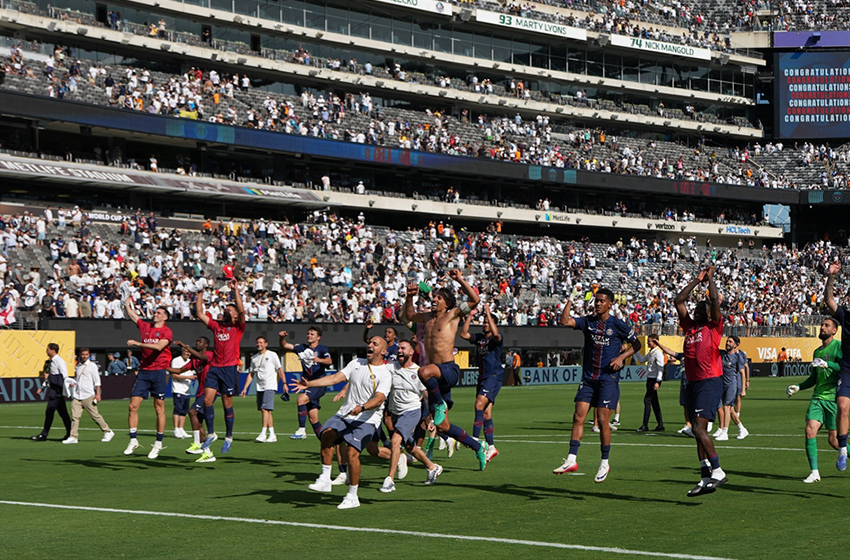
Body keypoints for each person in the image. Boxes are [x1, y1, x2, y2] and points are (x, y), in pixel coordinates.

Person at [402, 269, 488, 470]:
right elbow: (409, 315)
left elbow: (475, 300)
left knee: (423, 372)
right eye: (434, 297)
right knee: (442, 426)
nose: (434, 299)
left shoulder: (452, 315)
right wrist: (409, 297)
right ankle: (478, 446)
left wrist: (459, 279)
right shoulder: (426, 318)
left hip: (448, 369)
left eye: (439, 298)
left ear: (447, 303)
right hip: (435, 378)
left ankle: (440, 404)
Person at [554, 287, 640, 483]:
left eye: (602, 301)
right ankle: (571, 459)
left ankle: (604, 462)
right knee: (578, 416)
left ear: (610, 304)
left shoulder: (617, 324)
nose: (598, 303)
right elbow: (565, 321)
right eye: (596, 300)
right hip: (588, 378)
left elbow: (637, 345)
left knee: (602, 420)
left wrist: (621, 357)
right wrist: (571, 298)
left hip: (608, 379)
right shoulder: (588, 321)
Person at [295, 336, 392, 509]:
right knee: (326, 435)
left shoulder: (385, 373)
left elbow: (379, 398)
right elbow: (334, 378)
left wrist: (362, 407)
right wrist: (309, 384)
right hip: (345, 413)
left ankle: (352, 496)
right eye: (369, 343)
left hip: (367, 419)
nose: (369, 345)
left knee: (352, 453)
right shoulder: (356, 363)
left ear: (383, 351)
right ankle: (325, 479)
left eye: (375, 344)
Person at [675, 266, 727, 496]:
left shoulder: (713, 327)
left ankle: (718, 471)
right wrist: (697, 280)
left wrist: (711, 279)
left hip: (709, 381)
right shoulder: (689, 327)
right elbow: (679, 301)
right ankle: (705, 478)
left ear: (709, 313)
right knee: (698, 431)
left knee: (697, 428)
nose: (696, 311)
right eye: (695, 308)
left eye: (700, 309)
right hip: (693, 383)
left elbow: (714, 300)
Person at [379, 339, 444, 491]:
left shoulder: (418, 372)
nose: (399, 351)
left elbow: (427, 397)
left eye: (403, 348)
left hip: (412, 411)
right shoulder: (391, 367)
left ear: (411, 352)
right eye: (398, 348)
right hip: (396, 413)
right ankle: (432, 467)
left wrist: (430, 419)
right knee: (410, 447)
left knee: (395, 441)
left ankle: (389, 480)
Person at [195, 279, 246, 462]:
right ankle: (211, 433)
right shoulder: (217, 326)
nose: (227, 311)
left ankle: (229, 436)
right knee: (207, 400)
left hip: (229, 369)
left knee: (226, 404)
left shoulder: (238, 327)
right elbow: (199, 313)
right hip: (215, 368)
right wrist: (200, 293)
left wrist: (236, 290)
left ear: (235, 315)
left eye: (230, 310)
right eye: (226, 309)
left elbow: (242, 311)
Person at [787, 317, 842, 483]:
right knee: (810, 430)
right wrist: (798, 387)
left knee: (834, 441)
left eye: (826, 325)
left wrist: (828, 364)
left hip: (833, 398)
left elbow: (844, 369)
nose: (822, 327)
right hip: (818, 397)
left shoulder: (839, 347)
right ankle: (814, 472)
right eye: (822, 325)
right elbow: (813, 378)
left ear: (834, 330)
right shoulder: (817, 352)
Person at [124, 299, 173, 459]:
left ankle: (158, 443)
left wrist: (137, 343)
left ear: (165, 317)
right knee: (132, 406)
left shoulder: (167, 332)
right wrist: (126, 302)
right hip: (144, 371)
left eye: (159, 313)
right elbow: (133, 315)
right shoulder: (145, 327)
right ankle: (133, 440)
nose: (155, 314)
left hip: (159, 371)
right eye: (155, 312)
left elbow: (159, 347)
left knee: (159, 408)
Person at [460, 303, 503, 462]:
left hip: (493, 376)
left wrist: (488, 313)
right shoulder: (479, 339)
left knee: (478, 405)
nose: (485, 324)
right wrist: (470, 316)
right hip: (483, 377)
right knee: (486, 413)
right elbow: (463, 334)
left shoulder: (496, 338)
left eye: (488, 322)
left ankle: (475, 440)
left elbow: (496, 333)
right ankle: (491, 447)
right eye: (484, 322)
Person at [278, 327, 332, 440]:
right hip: (307, 384)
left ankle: (301, 430)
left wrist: (319, 360)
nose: (309, 335)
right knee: (313, 419)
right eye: (308, 333)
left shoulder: (322, 348)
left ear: (318, 337)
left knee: (301, 399)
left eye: (312, 334)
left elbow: (329, 361)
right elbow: (285, 345)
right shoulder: (301, 348)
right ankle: (327, 444)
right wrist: (281, 338)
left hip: (319, 383)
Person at [825, 262, 850, 470]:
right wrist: (831, 276)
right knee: (842, 407)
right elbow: (828, 300)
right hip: (847, 370)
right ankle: (843, 451)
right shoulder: (845, 316)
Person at [241, 336, 287, 443]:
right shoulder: (255, 358)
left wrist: (284, 383)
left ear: (266, 344)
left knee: (264, 410)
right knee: (267, 411)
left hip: (270, 385)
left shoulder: (272, 355)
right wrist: (245, 388)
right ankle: (272, 434)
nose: (259, 344)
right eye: (257, 342)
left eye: (261, 342)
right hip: (260, 387)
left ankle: (263, 433)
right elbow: (251, 374)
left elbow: (280, 370)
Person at [171, 338, 213, 455]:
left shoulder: (209, 354)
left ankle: (197, 443)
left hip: (209, 391)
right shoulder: (194, 360)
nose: (197, 343)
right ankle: (207, 453)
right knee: (198, 422)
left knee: (192, 411)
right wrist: (160, 367)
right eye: (197, 341)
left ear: (206, 345)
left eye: (200, 342)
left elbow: (202, 357)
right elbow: (179, 370)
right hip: (200, 392)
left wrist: (184, 345)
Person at [65, 348, 114, 444]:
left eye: (86, 354)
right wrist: (73, 384)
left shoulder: (92, 366)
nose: (84, 356)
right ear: (80, 355)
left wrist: (98, 394)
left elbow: (97, 381)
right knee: (75, 417)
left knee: (95, 415)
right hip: (77, 395)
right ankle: (73, 436)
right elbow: (78, 379)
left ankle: (107, 431)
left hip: (88, 395)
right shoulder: (78, 366)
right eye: (83, 354)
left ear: (89, 355)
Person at [32, 343, 72, 442]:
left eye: (48, 349)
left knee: (50, 412)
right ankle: (70, 433)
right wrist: (42, 387)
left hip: (57, 392)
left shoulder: (60, 361)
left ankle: (44, 434)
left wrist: (50, 377)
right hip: (54, 390)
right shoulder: (50, 362)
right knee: (63, 414)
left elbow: (64, 377)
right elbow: (49, 377)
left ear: (53, 350)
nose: (46, 351)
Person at [714, 336, 749, 441]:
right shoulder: (722, 354)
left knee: (726, 407)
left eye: (730, 341)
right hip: (722, 384)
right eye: (727, 341)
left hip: (731, 385)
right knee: (731, 410)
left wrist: (743, 389)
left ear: (735, 345)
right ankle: (742, 428)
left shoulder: (738, 357)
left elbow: (742, 373)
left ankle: (725, 432)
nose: (727, 343)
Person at [635, 333, 665, 432]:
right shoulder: (652, 352)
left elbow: (661, 368)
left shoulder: (658, 353)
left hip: (654, 379)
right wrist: (635, 350)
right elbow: (642, 359)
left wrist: (658, 381)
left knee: (647, 400)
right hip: (650, 379)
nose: (647, 343)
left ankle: (645, 425)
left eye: (649, 341)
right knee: (654, 403)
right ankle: (660, 425)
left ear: (655, 342)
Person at [168, 345, 196, 439]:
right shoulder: (176, 360)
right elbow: (174, 375)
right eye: (186, 352)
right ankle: (176, 429)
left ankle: (181, 429)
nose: (188, 354)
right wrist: (188, 377)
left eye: (189, 352)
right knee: (178, 409)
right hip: (178, 389)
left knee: (184, 410)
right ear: (182, 351)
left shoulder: (190, 361)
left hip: (187, 390)